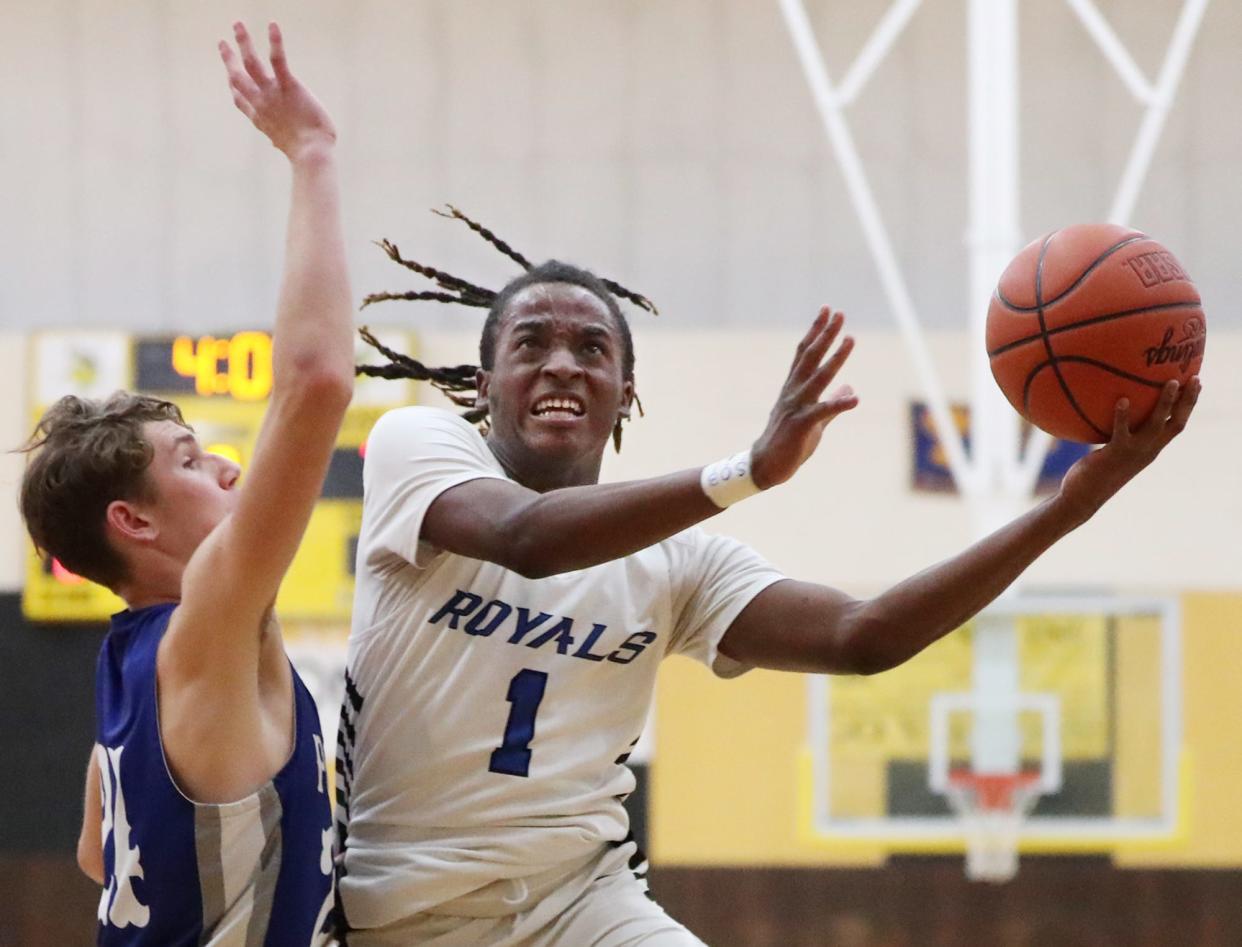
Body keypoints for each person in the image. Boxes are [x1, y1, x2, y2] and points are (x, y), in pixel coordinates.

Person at [335, 216, 1199, 945]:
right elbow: (524, 539)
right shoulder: (419, 448)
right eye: (533, 344)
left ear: (623, 392)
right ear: (485, 387)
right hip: (407, 909)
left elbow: (864, 637)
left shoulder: (676, 562)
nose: (563, 362)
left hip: (582, 904)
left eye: (592, 347)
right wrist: (745, 471)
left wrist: (1068, 508)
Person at [18, 22, 353, 945]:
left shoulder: (126, 661)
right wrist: (313, 153)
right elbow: (319, 378)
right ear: (132, 520)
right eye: (194, 461)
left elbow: (98, 850)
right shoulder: (207, 618)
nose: (232, 467)